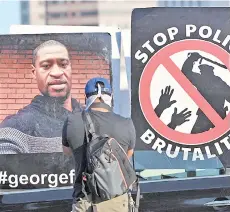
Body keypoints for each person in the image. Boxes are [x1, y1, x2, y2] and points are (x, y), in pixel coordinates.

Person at [62, 77, 136, 212]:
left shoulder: (72, 122)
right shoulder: (126, 124)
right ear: (111, 97)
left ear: (86, 97)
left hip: (84, 201)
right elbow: (126, 156)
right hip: (117, 202)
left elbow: (67, 151)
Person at [0, 40, 81, 154]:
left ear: (70, 68)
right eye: (46, 66)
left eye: (63, 65)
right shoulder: (15, 127)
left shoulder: (92, 118)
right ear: (34, 72)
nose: (57, 73)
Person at [181, 52, 230, 134]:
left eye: (201, 71)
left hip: (209, 115)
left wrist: (191, 59)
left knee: (195, 140)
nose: (200, 72)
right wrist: (191, 59)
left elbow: (186, 72)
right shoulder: (218, 81)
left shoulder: (201, 80)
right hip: (215, 114)